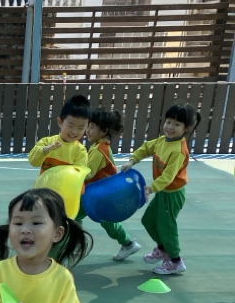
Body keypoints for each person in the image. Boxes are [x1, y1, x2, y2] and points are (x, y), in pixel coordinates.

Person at [120, 102, 200, 276]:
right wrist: (132, 160)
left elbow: (168, 177)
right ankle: (163, 249)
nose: (170, 127)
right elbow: (146, 148)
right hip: (163, 192)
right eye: (168, 122)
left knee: (166, 227)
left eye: (177, 124)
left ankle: (175, 261)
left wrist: (151, 188)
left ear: (186, 128)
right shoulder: (162, 141)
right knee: (148, 220)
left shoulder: (178, 151)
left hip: (172, 195)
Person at [83, 109, 142, 262]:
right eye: (88, 126)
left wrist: (73, 169)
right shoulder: (100, 146)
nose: (87, 130)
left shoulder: (99, 150)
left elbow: (88, 173)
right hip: (98, 193)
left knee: (104, 222)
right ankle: (128, 244)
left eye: (92, 127)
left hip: (100, 195)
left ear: (103, 131)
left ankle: (128, 244)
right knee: (81, 218)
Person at [27, 94, 90, 173]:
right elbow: (33, 162)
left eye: (81, 128)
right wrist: (45, 150)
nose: (74, 131)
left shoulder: (80, 151)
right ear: (60, 122)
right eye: (70, 126)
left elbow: (79, 174)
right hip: (46, 181)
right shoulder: (47, 142)